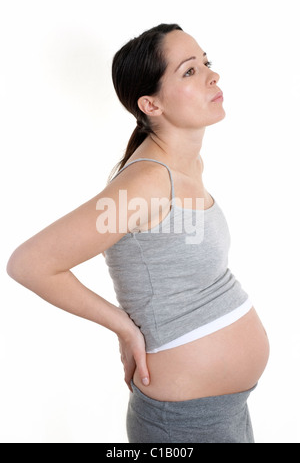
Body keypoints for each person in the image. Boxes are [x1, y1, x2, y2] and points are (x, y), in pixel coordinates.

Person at [6, 23, 270, 443]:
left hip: (226, 409)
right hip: (182, 422)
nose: (211, 75)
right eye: (188, 71)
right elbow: (30, 264)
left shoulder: (189, 167)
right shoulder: (146, 183)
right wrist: (125, 327)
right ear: (151, 104)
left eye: (207, 63)